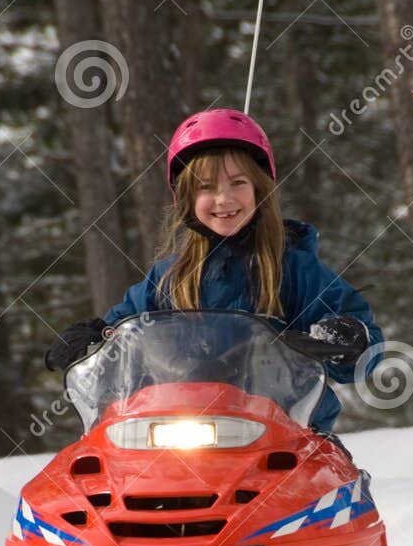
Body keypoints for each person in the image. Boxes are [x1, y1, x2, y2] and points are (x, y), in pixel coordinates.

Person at [44, 109, 383, 440]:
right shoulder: (168, 279)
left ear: (259, 190)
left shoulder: (294, 270)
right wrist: (94, 338)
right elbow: (123, 330)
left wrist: (351, 339)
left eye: (238, 183)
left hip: (288, 437)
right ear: (187, 199)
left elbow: (363, 343)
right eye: (207, 187)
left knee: (331, 482)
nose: (224, 199)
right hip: (181, 433)